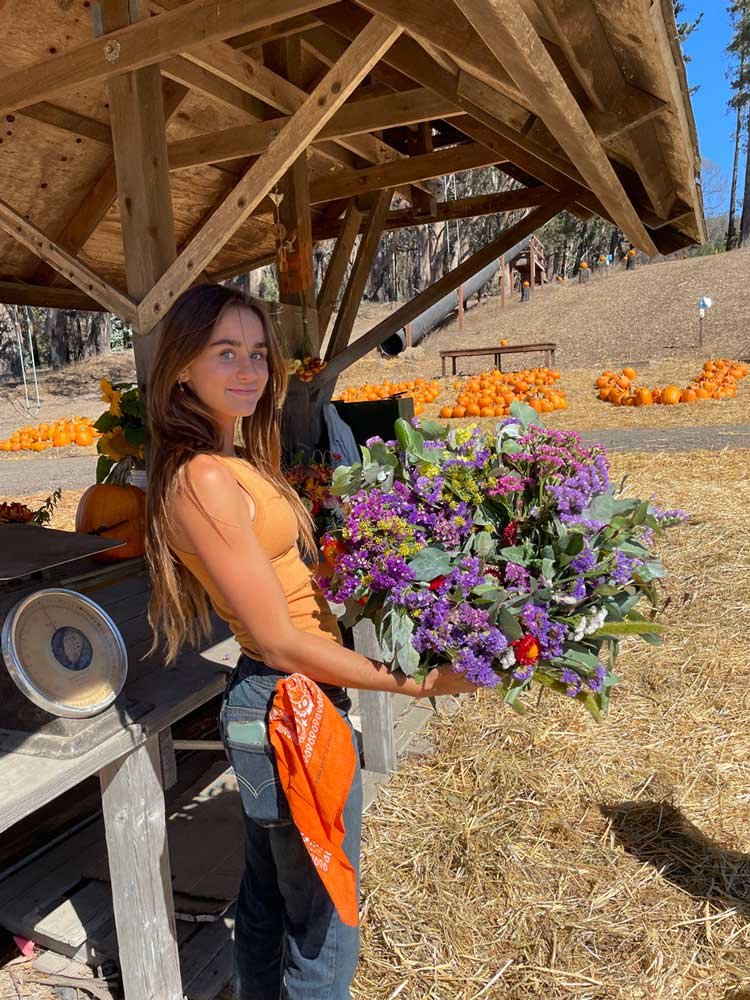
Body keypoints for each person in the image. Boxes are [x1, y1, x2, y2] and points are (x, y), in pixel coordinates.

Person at [143, 284, 478, 1000]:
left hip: (284, 697)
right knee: (324, 926)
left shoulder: (232, 460)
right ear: (181, 368)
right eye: (224, 352)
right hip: (288, 698)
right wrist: (416, 682)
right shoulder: (201, 477)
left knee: (269, 903)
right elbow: (277, 639)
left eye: (257, 353)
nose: (248, 369)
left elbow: (291, 586)